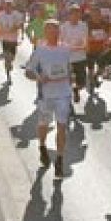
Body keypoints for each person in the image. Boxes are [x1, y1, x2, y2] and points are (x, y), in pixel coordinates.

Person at [25, 20, 74, 177]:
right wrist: (39, 78)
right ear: (45, 33)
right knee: (44, 125)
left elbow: (69, 68)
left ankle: (59, 160)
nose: (53, 32)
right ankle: (42, 146)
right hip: (46, 95)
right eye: (50, 30)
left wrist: (72, 84)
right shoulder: (40, 50)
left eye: (56, 30)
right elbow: (28, 71)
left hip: (63, 94)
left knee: (61, 127)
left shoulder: (66, 49)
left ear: (59, 32)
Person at [0, 0, 26, 82]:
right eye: (6, 5)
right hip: (5, 39)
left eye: (9, 5)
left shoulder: (16, 14)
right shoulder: (1, 14)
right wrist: (1, 30)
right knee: (6, 58)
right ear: (4, 6)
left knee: (12, 57)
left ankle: (10, 64)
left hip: (13, 39)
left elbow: (20, 24)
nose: (7, 7)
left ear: (12, 6)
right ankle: (8, 76)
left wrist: (13, 29)